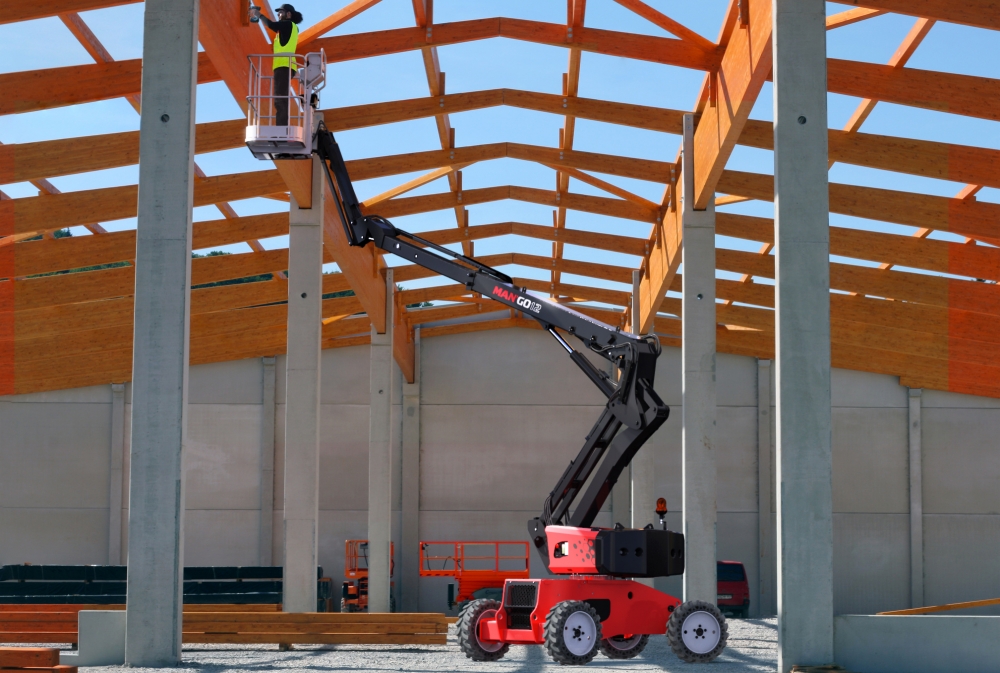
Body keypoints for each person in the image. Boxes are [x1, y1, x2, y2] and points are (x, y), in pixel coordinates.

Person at [249, 4, 303, 126]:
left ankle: (281, 129)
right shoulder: (290, 27)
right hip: (286, 65)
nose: (279, 15)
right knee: (281, 97)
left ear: (289, 14)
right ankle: (282, 127)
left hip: (284, 65)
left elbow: (271, 25)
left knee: (280, 99)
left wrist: (259, 15)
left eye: (281, 12)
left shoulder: (287, 24)